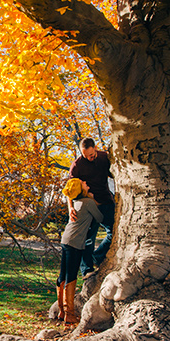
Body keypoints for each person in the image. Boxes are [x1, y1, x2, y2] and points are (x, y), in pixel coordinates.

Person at [57, 178, 103, 324]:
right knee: (71, 276)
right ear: (80, 188)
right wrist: (94, 200)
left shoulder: (76, 203)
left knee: (62, 275)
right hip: (75, 242)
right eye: (83, 183)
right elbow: (100, 217)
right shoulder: (88, 202)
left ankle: (61, 311)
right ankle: (69, 314)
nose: (86, 182)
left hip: (66, 239)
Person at [68, 138, 115, 279]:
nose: (89, 158)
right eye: (85, 155)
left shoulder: (104, 157)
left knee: (114, 233)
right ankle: (87, 269)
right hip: (88, 205)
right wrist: (71, 208)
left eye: (91, 155)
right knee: (87, 239)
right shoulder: (77, 165)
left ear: (95, 148)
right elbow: (69, 190)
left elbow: (115, 175)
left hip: (106, 201)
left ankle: (97, 257)